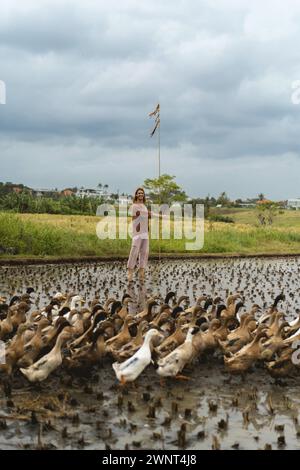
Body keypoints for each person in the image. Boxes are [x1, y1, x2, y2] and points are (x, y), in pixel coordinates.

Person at [127, 188, 150, 282]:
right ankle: (130, 272)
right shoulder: (134, 206)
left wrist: (147, 228)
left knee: (144, 252)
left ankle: (141, 273)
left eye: (142, 193)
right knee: (134, 251)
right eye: (139, 193)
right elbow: (134, 218)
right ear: (136, 195)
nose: (141, 194)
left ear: (144, 195)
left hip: (145, 233)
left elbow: (146, 218)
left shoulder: (144, 206)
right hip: (138, 232)